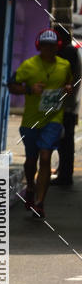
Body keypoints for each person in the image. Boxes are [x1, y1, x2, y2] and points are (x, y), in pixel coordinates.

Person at [9, 28, 73, 218]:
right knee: (31, 160)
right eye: (45, 46)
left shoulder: (64, 66)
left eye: (52, 46)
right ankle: (30, 186)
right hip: (31, 121)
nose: (48, 50)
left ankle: (39, 202)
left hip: (53, 119)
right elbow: (12, 86)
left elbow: (69, 82)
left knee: (46, 156)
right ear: (39, 47)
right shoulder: (29, 66)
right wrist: (29, 89)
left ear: (57, 47)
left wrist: (68, 88)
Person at [53, 25, 81, 185]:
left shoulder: (68, 52)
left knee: (65, 141)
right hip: (69, 102)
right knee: (65, 140)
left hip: (65, 104)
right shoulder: (72, 51)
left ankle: (65, 175)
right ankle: (64, 172)